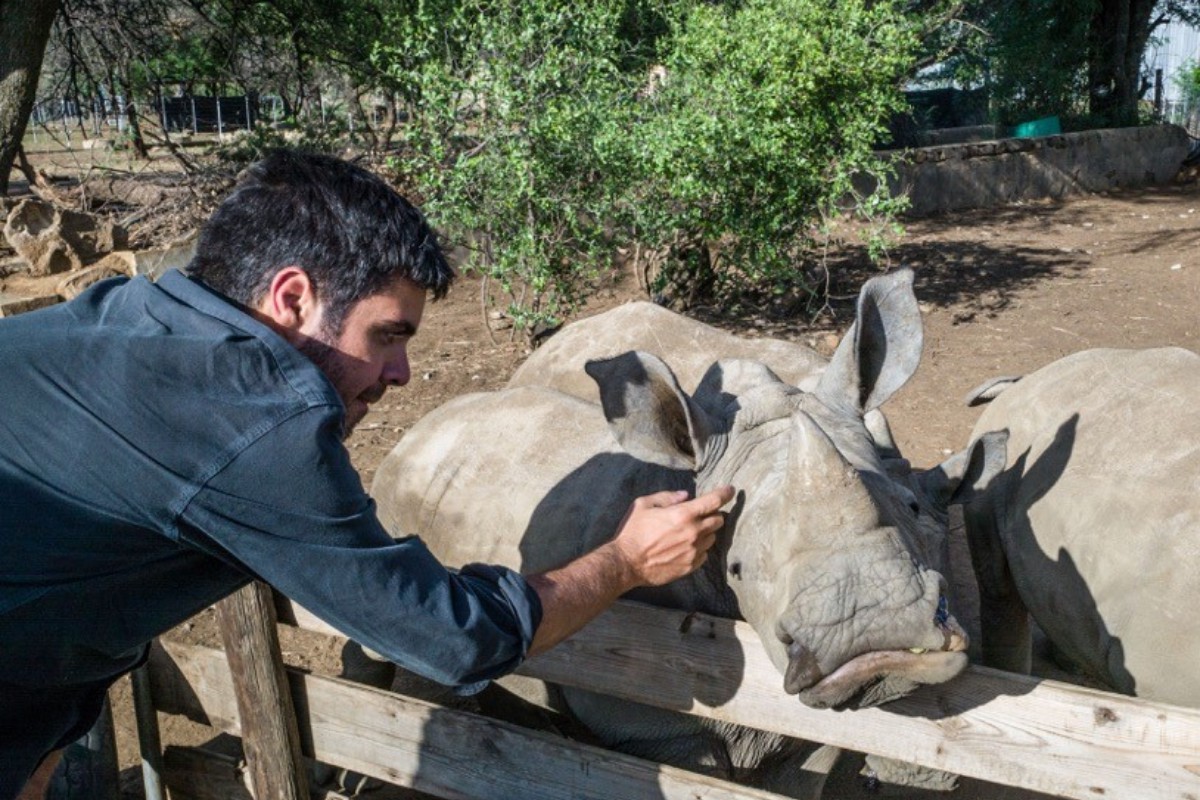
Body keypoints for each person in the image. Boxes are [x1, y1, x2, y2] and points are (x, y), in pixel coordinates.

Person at [0, 149, 734, 799]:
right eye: (386, 335)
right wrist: (625, 560)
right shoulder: (254, 420)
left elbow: (74, 558)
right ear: (292, 298)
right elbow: (453, 637)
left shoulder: (128, 315)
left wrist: (46, 726)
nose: (402, 373)